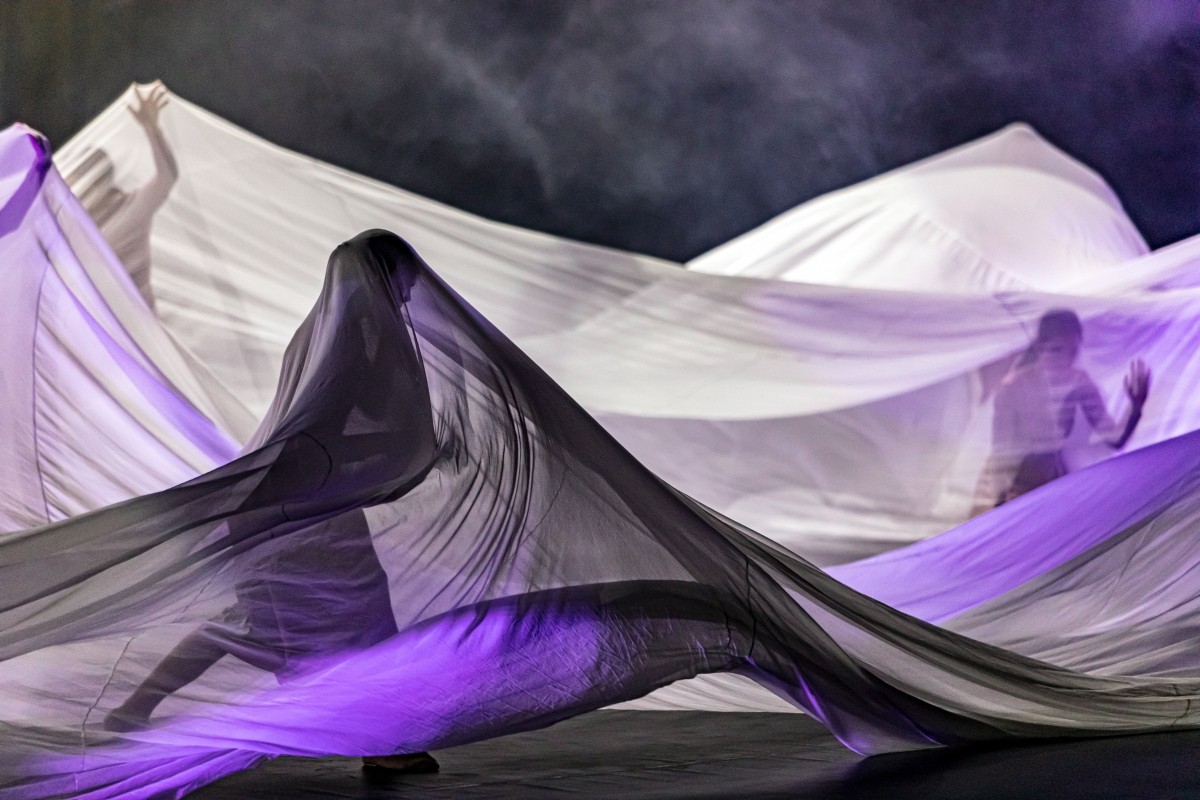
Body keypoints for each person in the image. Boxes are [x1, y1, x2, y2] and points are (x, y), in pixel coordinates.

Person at [104, 232, 442, 773]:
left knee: (273, 620)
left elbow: (325, 432)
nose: (411, 291)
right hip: (295, 502)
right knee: (336, 619)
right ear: (387, 277)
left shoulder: (338, 332)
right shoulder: (348, 341)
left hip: (303, 499)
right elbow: (312, 434)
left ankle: (133, 709)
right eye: (405, 280)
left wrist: (401, 444)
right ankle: (380, 743)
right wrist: (410, 446)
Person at [977, 309, 1150, 508]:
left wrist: (1135, 407)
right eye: (1057, 350)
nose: (1066, 360)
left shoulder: (1079, 381)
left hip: (1063, 484)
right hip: (1022, 486)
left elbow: (1115, 439)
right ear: (1040, 348)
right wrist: (1001, 500)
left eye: (1073, 352)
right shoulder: (1013, 387)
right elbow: (1001, 450)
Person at [66, 81, 177, 309]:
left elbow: (166, 177)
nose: (75, 194)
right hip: (92, 329)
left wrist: (151, 128)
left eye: (83, 186)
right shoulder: (70, 224)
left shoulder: (131, 208)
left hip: (136, 329)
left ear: (101, 185)